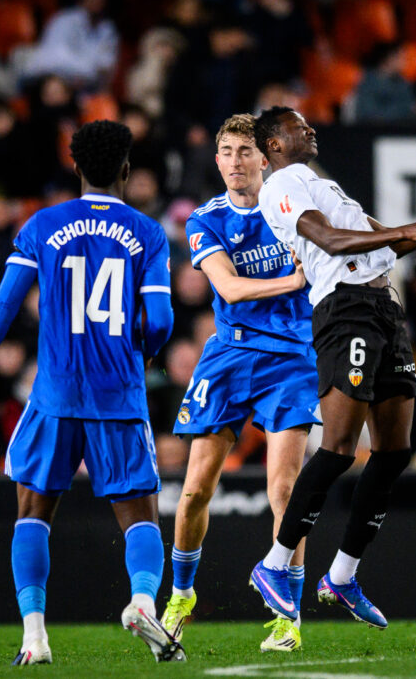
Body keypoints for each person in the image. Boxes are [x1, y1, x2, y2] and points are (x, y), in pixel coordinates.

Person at [249, 106, 416, 629]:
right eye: (298, 125)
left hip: (384, 309)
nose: (310, 129)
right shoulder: (280, 185)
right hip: (344, 309)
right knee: (338, 448)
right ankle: (274, 564)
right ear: (274, 144)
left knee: (394, 452)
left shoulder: (325, 186)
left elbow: (392, 242)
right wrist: (411, 227)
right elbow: (330, 240)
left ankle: (342, 576)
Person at [0, 121, 181, 664]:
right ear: (126, 170)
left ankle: (35, 636)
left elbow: (4, 305)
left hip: (54, 394)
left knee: (32, 513)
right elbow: (163, 319)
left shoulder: (42, 225)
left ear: (75, 168)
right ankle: (143, 602)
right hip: (117, 395)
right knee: (141, 518)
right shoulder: (147, 232)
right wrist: (141, 350)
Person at [158, 114, 317, 653]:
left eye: (245, 151)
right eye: (226, 151)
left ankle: (287, 617)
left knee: (284, 491)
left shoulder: (294, 211)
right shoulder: (206, 219)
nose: (234, 162)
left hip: (291, 357)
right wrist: (294, 279)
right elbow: (227, 287)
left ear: (265, 158)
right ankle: (182, 596)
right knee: (195, 489)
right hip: (230, 354)